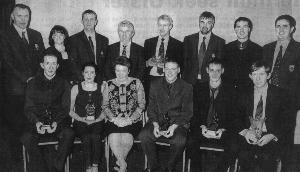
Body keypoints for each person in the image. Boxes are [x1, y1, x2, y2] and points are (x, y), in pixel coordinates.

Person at [0, 3, 45, 164]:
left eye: (26, 16)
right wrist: (28, 79)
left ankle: (35, 164)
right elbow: (7, 63)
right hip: (15, 92)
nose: (23, 19)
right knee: (16, 131)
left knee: (34, 129)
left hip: (35, 92)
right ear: (12, 16)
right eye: (19, 15)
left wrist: (38, 80)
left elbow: (43, 62)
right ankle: (18, 164)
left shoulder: (36, 35)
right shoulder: (4, 35)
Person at [20, 54, 75, 172]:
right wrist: (37, 122)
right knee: (26, 137)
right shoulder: (32, 83)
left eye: (54, 64)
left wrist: (56, 122)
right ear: (42, 65)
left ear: (58, 66)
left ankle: (56, 169)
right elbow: (28, 108)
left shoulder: (64, 83)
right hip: (38, 121)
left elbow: (65, 108)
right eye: (48, 63)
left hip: (57, 122)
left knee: (69, 134)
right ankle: (41, 169)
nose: (51, 67)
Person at [235, 60, 290, 172]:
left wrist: (272, 135)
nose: (258, 78)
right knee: (244, 156)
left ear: (269, 75)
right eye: (254, 74)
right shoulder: (243, 92)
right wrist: (246, 132)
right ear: (250, 76)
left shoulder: (281, 94)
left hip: (269, 135)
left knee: (267, 158)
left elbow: (287, 121)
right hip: (249, 134)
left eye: (261, 74)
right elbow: (235, 117)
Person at [139, 59, 193, 172]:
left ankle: (170, 168)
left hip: (177, 124)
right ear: (163, 69)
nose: (169, 72)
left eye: (173, 69)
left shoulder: (187, 87)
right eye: (167, 68)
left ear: (178, 70)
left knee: (179, 140)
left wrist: (173, 127)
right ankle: (154, 168)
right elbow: (151, 108)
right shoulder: (154, 84)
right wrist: (155, 125)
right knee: (144, 135)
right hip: (158, 121)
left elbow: (187, 112)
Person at [262, 14, 300, 171]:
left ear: (292, 29)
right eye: (278, 26)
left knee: (285, 142)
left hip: (289, 104)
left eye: (285, 26)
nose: (281, 29)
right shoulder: (267, 48)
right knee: (268, 139)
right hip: (268, 101)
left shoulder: (298, 49)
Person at [188, 59, 237, 172]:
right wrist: (201, 126)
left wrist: (223, 129)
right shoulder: (198, 88)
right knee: (190, 142)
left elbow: (234, 115)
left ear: (222, 71)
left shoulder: (231, 90)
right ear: (207, 71)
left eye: (218, 70)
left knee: (234, 146)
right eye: (212, 70)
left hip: (222, 131)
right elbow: (193, 112)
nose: (214, 74)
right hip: (203, 129)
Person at [102, 56, 145, 172]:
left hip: (132, 121)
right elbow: (104, 106)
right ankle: (123, 165)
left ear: (129, 71)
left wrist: (129, 119)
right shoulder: (108, 84)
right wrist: (114, 119)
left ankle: (119, 164)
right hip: (113, 121)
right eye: (118, 70)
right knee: (114, 137)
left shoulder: (137, 83)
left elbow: (142, 105)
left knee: (126, 138)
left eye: (123, 70)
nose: (120, 74)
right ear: (114, 70)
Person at [69, 63, 105, 172]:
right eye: (86, 72)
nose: (89, 75)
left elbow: (105, 109)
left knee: (96, 136)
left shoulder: (102, 88)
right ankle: (88, 167)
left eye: (92, 72)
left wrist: (98, 119)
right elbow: (69, 110)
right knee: (85, 137)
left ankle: (95, 166)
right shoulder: (76, 88)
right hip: (80, 122)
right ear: (82, 74)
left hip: (97, 121)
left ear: (95, 74)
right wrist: (80, 119)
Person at [144, 14, 183, 101]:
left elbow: (181, 65)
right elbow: (141, 63)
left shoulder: (178, 45)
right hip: (151, 79)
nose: (161, 28)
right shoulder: (148, 42)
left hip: (168, 79)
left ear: (170, 26)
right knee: (152, 108)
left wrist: (167, 65)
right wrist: (147, 63)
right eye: (160, 25)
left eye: (165, 25)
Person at [183, 11, 225, 85]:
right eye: (202, 22)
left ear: (213, 24)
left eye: (208, 22)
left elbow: (219, 65)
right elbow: (184, 62)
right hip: (189, 81)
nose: (205, 25)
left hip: (209, 82)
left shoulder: (219, 42)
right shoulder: (188, 39)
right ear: (199, 23)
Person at [68, 9, 109, 83]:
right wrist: (84, 80)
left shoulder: (104, 40)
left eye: (91, 19)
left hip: (100, 82)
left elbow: (105, 63)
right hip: (81, 81)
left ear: (96, 22)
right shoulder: (73, 39)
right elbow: (73, 64)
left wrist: (103, 80)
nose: (88, 22)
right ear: (82, 21)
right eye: (86, 19)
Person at [223, 17, 262, 90]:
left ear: (249, 29)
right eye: (238, 27)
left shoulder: (258, 49)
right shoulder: (226, 48)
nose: (241, 30)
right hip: (229, 90)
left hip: (249, 90)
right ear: (235, 29)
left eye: (245, 27)